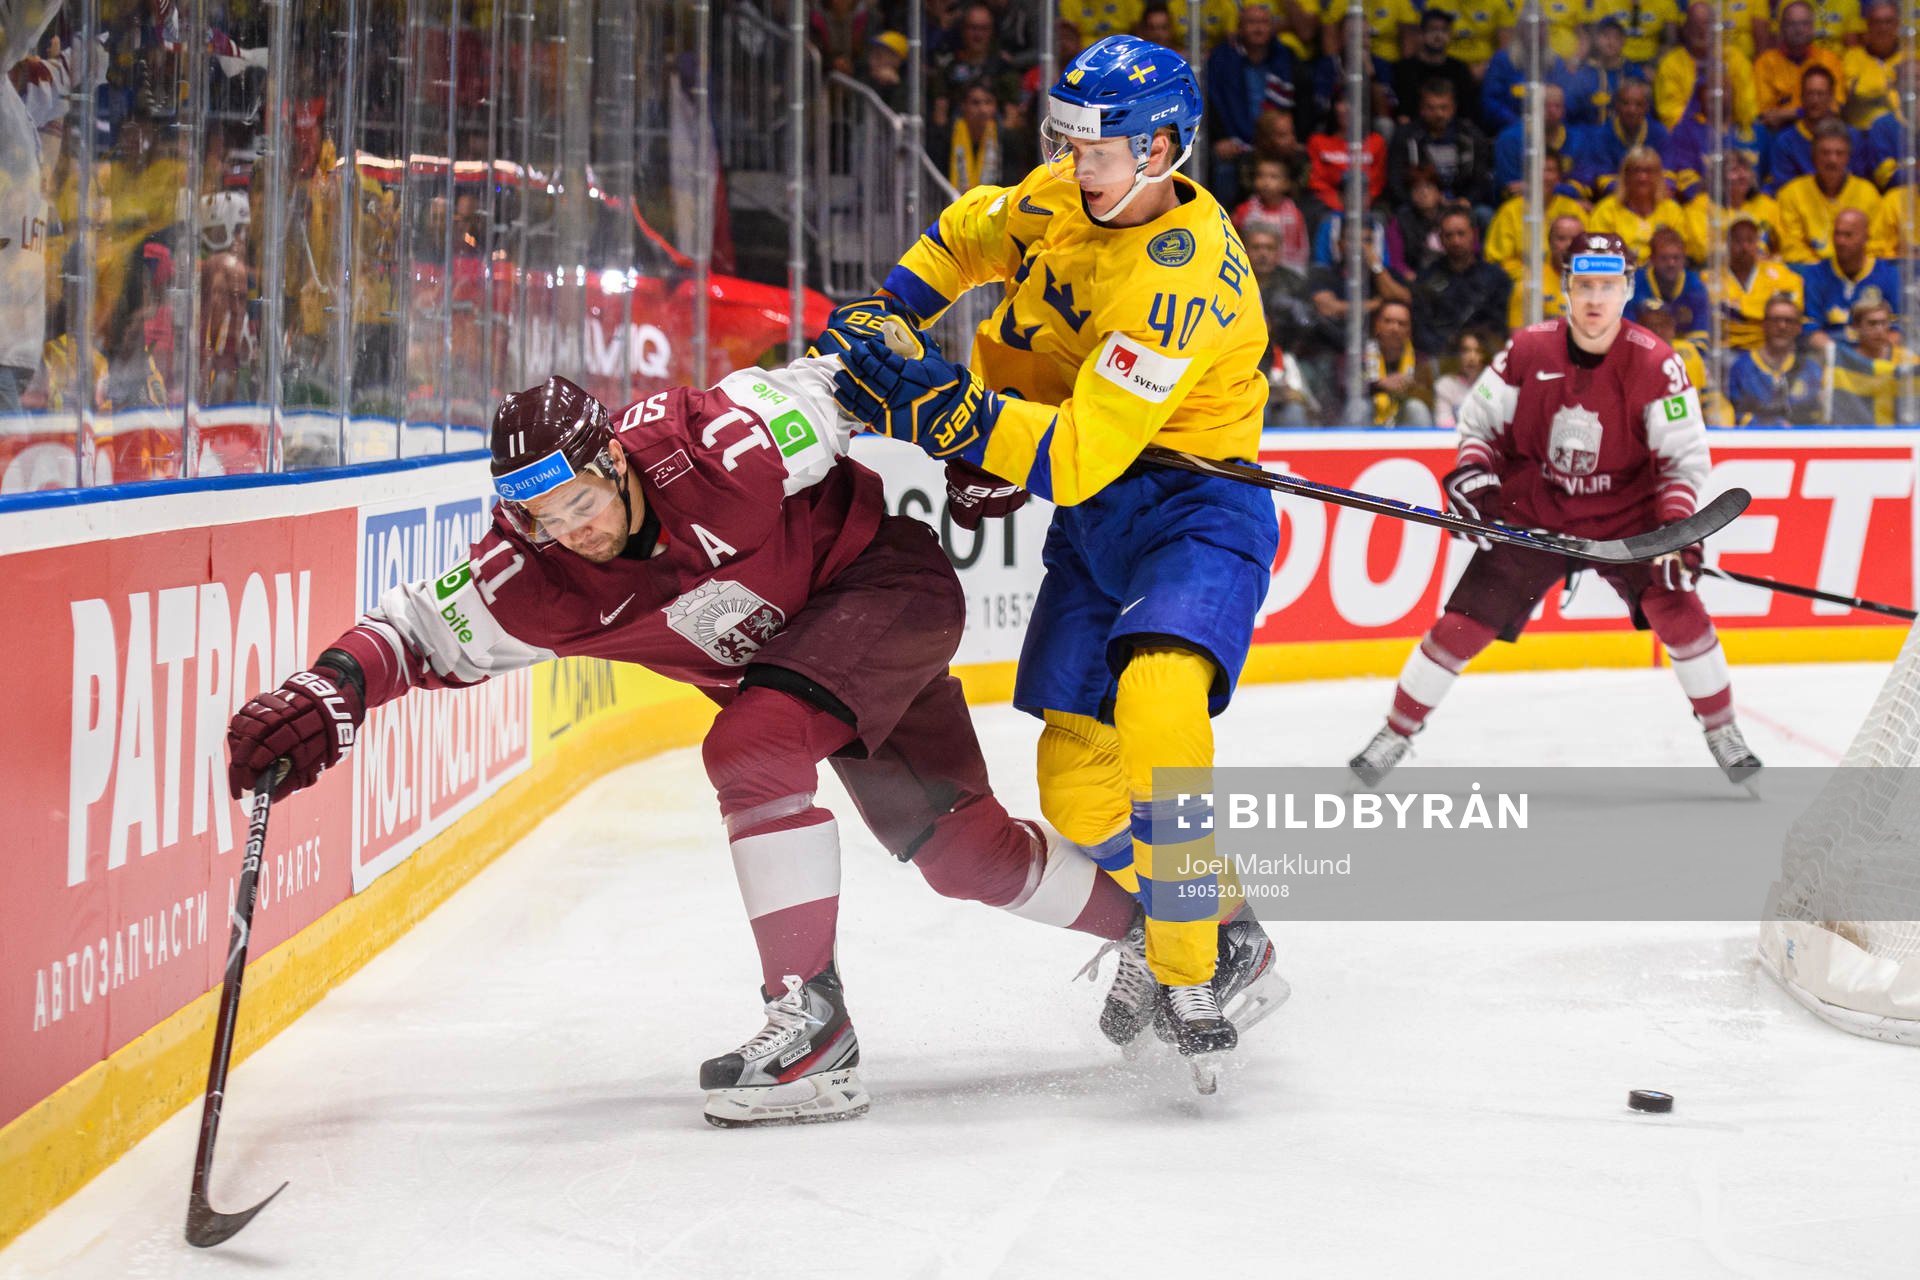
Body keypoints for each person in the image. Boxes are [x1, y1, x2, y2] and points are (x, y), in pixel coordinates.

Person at [224, 359, 1142, 1127]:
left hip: (882, 588)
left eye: (581, 499)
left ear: (615, 460)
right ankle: (1184, 943)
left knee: (752, 747)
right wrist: (322, 695)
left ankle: (811, 1024)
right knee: (963, 855)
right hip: (815, 667)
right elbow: (412, 635)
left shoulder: (719, 440)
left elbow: (867, 373)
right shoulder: (530, 576)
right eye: (545, 518)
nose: (573, 530)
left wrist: (985, 443)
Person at [818, 35, 1286, 1070]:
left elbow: (1072, 452)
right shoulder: (1072, 193)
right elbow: (965, 234)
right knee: (1077, 790)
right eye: (1067, 143)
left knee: (1161, 700)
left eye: (1098, 150)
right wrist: (897, 311)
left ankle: (1189, 958)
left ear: (1162, 148)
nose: (1076, 166)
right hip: (1097, 519)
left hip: (1194, 509)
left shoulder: (1184, 280)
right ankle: (1231, 924)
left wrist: (945, 406)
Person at [1347, 231, 1763, 786]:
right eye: (1585, 285)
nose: (1595, 299)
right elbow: (1479, 427)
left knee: (1680, 613)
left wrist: (1675, 530)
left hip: (1630, 521)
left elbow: (1682, 459)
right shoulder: (1527, 351)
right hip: (1535, 514)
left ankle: (1722, 730)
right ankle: (1395, 733)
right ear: (1567, 288)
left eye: (1608, 286)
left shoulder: (1657, 363)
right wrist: (1476, 476)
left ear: (1627, 290)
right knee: (1459, 627)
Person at [1410, 206, 1513, 357]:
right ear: (1440, 239)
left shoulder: (1497, 278)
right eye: (1449, 235)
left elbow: (1500, 327)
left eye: (1461, 234)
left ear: (1474, 234)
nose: (1456, 241)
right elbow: (1421, 331)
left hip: (1485, 359)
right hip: (1441, 360)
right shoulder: (1426, 279)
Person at [1796, 207, 1905, 350]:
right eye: (1837, 234)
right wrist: (1838, 356)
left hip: (1875, 357)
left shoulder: (1889, 274)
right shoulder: (1815, 273)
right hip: (1830, 356)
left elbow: (1898, 330)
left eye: (1848, 235)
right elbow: (1811, 329)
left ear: (1866, 237)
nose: (1840, 241)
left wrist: (1869, 357)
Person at [1776, 120, 1882, 263]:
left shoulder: (1868, 193)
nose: (1832, 160)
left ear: (1848, 157)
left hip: (1855, 273)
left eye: (1839, 153)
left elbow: (1874, 245)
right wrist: (1825, 272)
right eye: (1825, 153)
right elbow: (1792, 247)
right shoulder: (1791, 194)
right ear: (1813, 155)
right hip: (1809, 273)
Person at [1708, 210, 1807, 350]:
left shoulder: (1779, 273)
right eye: (1737, 240)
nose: (1744, 247)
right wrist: (1764, 311)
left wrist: (1740, 312)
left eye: (1750, 240)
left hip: (1772, 347)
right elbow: (1716, 322)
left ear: (1757, 242)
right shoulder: (1710, 279)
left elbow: (1792, 310)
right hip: (1728, 350)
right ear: (1727, 244)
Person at [1726, 292, 1824, 425]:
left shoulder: (1811, 370)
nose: (1782, 326)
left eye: (1789, 321)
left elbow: (1817, 416)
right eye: (1775, 320)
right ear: (1764, 325)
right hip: (1755, 442)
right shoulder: (1741, 368)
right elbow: (1733, 414)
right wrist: (1773, 425)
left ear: (1798, 328)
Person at [1830, 290, 1920, 425]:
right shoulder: (1842, 361)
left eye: (1884, 323)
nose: (1879, 330)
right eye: (1872, 323)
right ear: (1856, 327)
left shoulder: (1908, 359)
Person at [1628, 226, 1708, 343]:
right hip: (1643, 348)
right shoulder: (1635, 283)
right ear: (1652, 259)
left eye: (1676, 258)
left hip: (1684, 352)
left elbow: (1701, 334)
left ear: (1684, 259)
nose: (1671, 263)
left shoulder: (1695, 286)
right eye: (1664, 258)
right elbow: (1627, 327)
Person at [1433, 328, 1495, 429]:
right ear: (1457, 355)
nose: (1472, 357)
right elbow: (1443, 423)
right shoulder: (1446, 385)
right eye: (1466, 351)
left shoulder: (1491, 387)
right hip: (1453, 442)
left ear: (1486, 356)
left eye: (1478, 351)